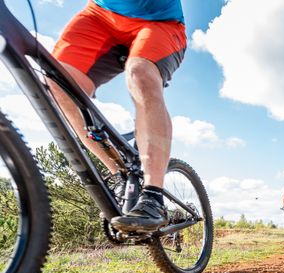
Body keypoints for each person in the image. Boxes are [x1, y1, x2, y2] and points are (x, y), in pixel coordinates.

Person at [48, 0, 186, 232]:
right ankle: (119, 175)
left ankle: (153, 194)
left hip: (160, 23)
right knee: (57, 83)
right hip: (100, 16)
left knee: (140, 74)